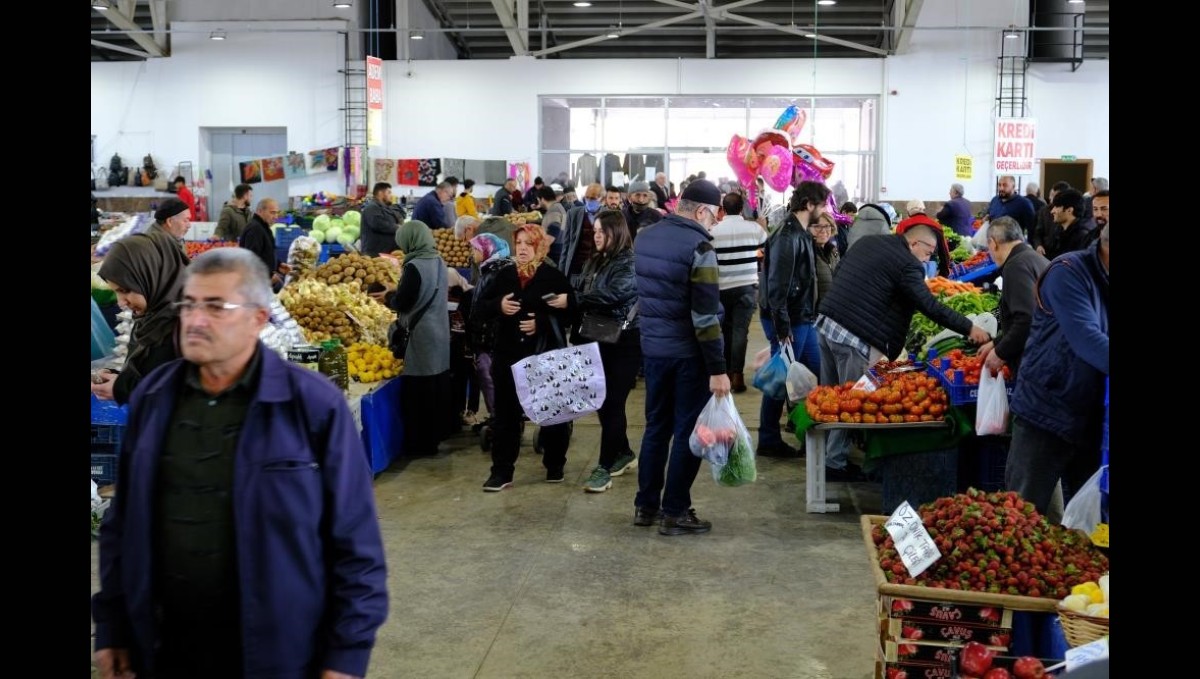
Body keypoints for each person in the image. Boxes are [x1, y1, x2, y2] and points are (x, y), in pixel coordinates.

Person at [92, 248, 388, 679]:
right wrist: (113, 625)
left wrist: (345, 657)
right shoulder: (155, 397)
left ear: (257, 318)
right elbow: (123, 523)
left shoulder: (311, 405)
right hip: (166, 649)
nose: (195, 320)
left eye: (215, 307)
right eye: (189, 304)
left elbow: (356, 542)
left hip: (277, 654)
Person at [815, 225, 992, 480]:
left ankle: (825, 455)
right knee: (853, 401)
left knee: (833, 395)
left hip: (827, 325)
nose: (927, 260)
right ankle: (834, 464)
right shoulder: (908, 265)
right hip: (854, 338)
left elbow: (841, 271)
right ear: (914, 244)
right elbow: (929, 305)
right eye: (928, 253)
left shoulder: (869, 241)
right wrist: (969, 327)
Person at [632, 179, 729, 536]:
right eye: (714, 215)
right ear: (702, 211)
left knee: (656, 428)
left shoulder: (645, 238)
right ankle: (674, 511)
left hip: (653, 350)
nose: (714, 222)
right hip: (689, 355)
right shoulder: (700, 247)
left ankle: (645, 506)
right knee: (689, 431)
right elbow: (704, 317)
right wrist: (718, 368)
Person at [1006, 225, 1109, 517]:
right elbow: (1087, 339)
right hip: (1046, 411)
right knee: (1022, 514)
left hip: (1092, 419)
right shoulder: (1067, 271)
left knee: (1087, 521)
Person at [474, 224, 576, 490]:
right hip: (507, 356)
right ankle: (501, 472)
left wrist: (541, 322)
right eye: (518, 243)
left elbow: (569, 313)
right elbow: (480, 308)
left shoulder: (551, 277)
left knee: (551, 412)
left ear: (539, 246)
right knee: (505, 416)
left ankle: (555, 464)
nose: (522, 248)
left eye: (528, 244)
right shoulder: (504, 275)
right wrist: (499, 305)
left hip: (542, 356)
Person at [757, 181, 828, 458]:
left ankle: (814, 431)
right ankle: (768, 438)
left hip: (802, 317)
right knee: (781, 377)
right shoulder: (788, 236)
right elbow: (777, 287)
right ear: (809, 204)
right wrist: (783, 327)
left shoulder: (799, 232)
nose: (824, 211)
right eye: (821, 205)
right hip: (790, 319)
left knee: (816, 373)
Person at [574, 210, 641, 493]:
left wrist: (573, 299)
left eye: (602, 231)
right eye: (595, 231)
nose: (597, 235)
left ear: (617, 232)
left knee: (612, 402)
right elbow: (582, 285)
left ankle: (604, 467)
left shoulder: (630, 262)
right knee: (603, 403)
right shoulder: (597, 259)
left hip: (625, 341)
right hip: (598, 335)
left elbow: (613, 295)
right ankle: (623, 452)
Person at [91, 234, 187, 405]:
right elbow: (149, 373)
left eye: (125, 290)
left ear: (151, 276)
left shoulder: (189, 326)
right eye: (116, 292)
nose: (121, 303)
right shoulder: (151, 317)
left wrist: (124, 388)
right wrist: (117, 378)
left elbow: (184, 392)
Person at [390, 220, 452, 456]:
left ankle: (420, 445)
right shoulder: (439, 261)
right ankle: (435, 438)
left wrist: (388, 298)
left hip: (421, 335)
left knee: (419, 392)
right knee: (436, 387)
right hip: (440, 332)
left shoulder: (414, 266)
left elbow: (403, 301)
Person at [976, 216, 1050, 381]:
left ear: (993, 243)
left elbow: (1027, 318)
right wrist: (997, 342)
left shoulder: (1015, 266)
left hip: (1038, 364)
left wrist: (1000, 352)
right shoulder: (1034, 258)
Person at [713, 191, 766, 394]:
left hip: (721, 288)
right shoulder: (754, 228)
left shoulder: (713, 231)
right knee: (740, 331)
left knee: (725, 331)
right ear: (742, 208)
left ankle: (726, 372)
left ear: (723, 209)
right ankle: (737, 376)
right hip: (746, 287)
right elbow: (765, 249)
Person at [465, 233, 514, 429]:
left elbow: (488, 306)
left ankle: (499, 418)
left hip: (490, 337)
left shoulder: (495, 273)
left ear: (488, 250)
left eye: (475, 248)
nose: (472, 252)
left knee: (489, 376)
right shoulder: (491, 269)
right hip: (490, 336)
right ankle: (500, 416)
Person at [556, 182, 605, 288]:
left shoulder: (608, 215)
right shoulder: (573, 214)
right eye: (588, 197)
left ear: (602, 199)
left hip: (597, 271)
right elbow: (566, 246)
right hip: (576, 269)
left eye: (593, 198)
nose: (590, 201)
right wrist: (561, 275)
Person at [238, 198, 287, 289]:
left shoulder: (263, 227)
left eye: (277, 213)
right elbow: (251, 259)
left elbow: (265, 253)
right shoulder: (255, 229)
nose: (276, 217)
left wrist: (278, 265)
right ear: (260, 211)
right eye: (272, 213)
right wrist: (268, 277)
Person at [1044, 189, 1095, 260]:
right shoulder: (1058, 230)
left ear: (1069, 210)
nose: (1052, 211)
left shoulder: (1082, 236)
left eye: (1056, 207)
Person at [145, 197, 193, 266]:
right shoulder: (157, 247)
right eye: (185, 220)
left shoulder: (171, 237)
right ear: (170, 222)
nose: (189, 225)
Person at [361, 182, 405, 257]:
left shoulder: (385, 208)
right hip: (375, 255)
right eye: (389, 193)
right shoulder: (372, 208)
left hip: (386, 254)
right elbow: (378, 224)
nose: (391, 196)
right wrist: (399, 228)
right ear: (381, 193)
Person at [1031, 181, 1070, 257]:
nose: (1050, 198)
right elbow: (1037, 233)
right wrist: (1038, 245)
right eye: (1051, 195)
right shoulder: (1044, 211)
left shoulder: (1069, 212)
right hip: (1045, 253)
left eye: (1054, 196)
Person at [538, 185, 568, 264]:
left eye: (538, 200)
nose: (539, 203)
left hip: (554, 253)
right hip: (559, 251)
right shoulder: (558, 207)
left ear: (542, 199)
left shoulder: (554, 209)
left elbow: (554, 228)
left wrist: (541, 249)